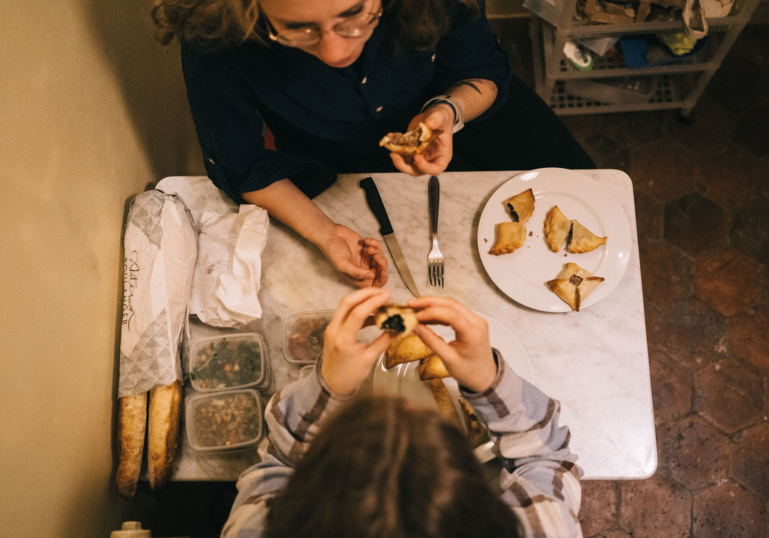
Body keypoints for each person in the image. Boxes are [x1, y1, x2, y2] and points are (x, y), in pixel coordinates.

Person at [152, 0, 594, 289]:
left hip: (478, 118)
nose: (332, 52)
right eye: (296, 29)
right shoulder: (213, 29)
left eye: (355, 14)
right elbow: (241, 164)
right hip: (342, 162)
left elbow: (482, 66)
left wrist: (448, 111)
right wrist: (325, 233)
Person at [221, 288, 584, 538]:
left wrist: (328, 385)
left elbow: (278, 465)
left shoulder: (255, 530)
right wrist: (489, 380)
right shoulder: (543, 529)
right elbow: (547, 458)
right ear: (478, 498)